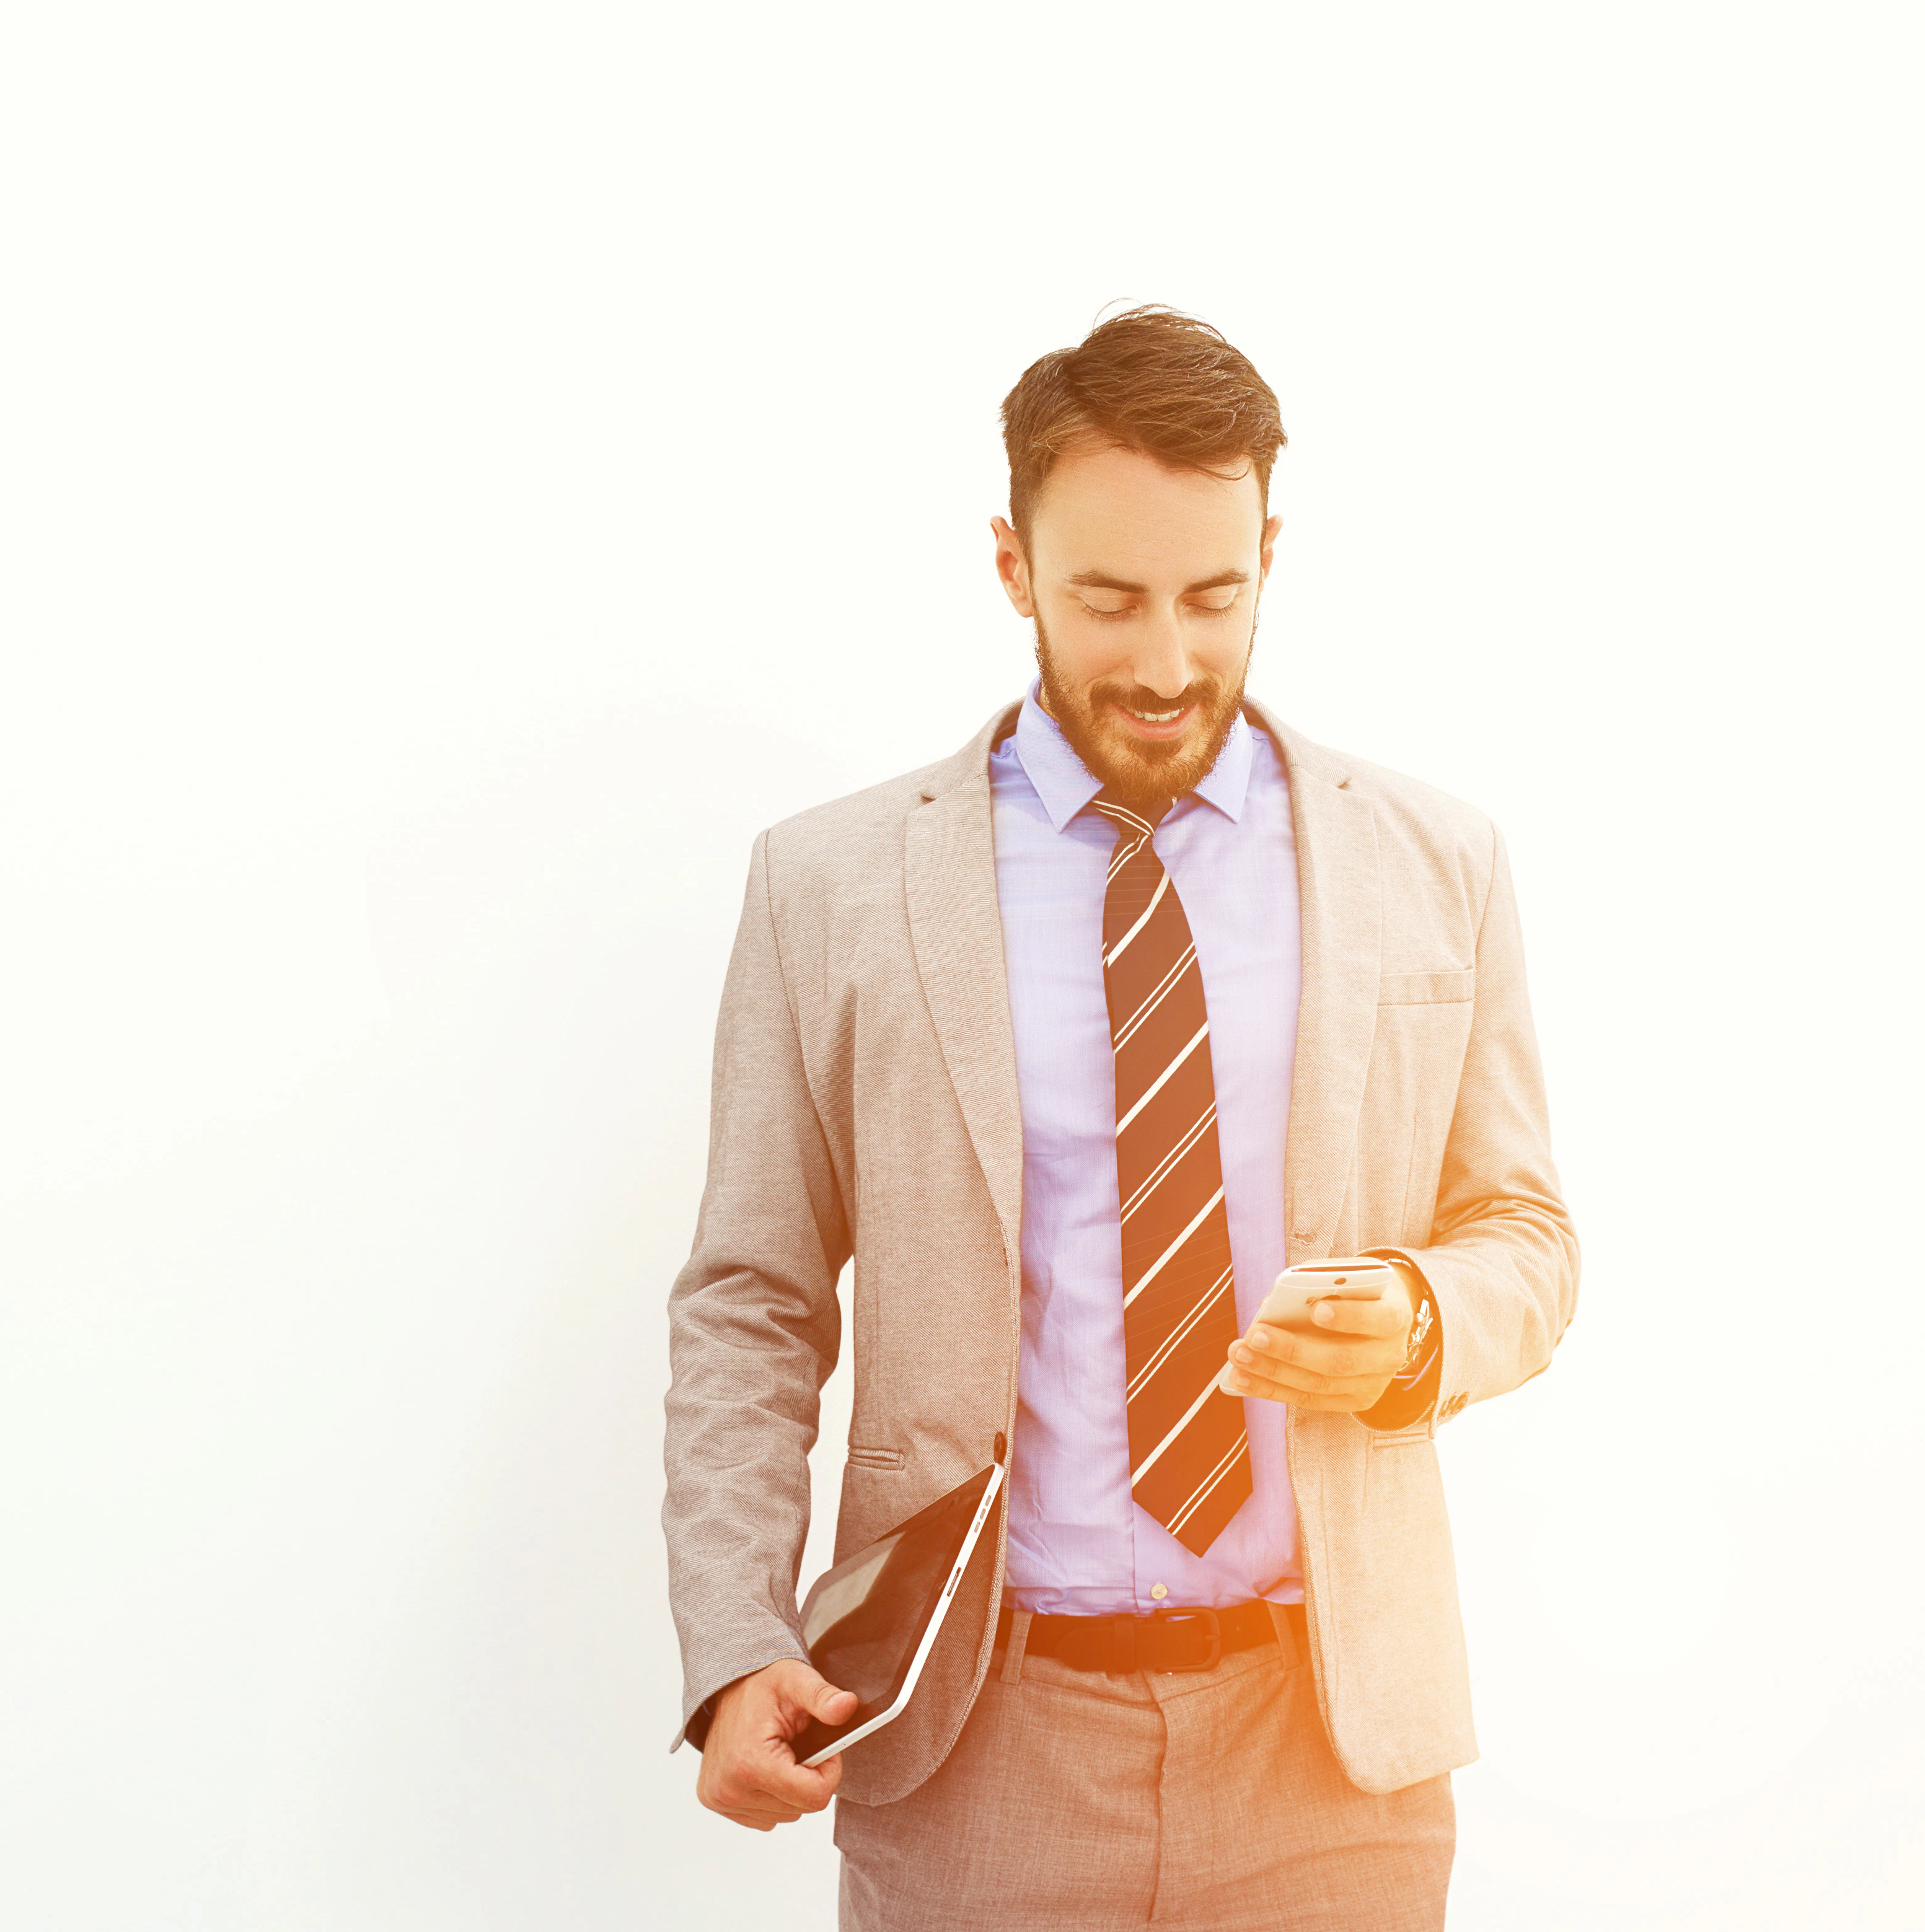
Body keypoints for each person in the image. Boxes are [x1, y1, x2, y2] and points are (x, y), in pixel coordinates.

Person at [660, 306, 1578, 1930]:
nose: (1163, 664)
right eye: (1105, 598)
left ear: (1269, 552)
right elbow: (752, 1293)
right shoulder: (832, 885)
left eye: (1213, 596)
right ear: (1011, 562)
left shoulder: (1435, 863)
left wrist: (1426, 1313)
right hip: (972, 1742)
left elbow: (1526, 1236)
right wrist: (738, 1638)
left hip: (1330, 1756)